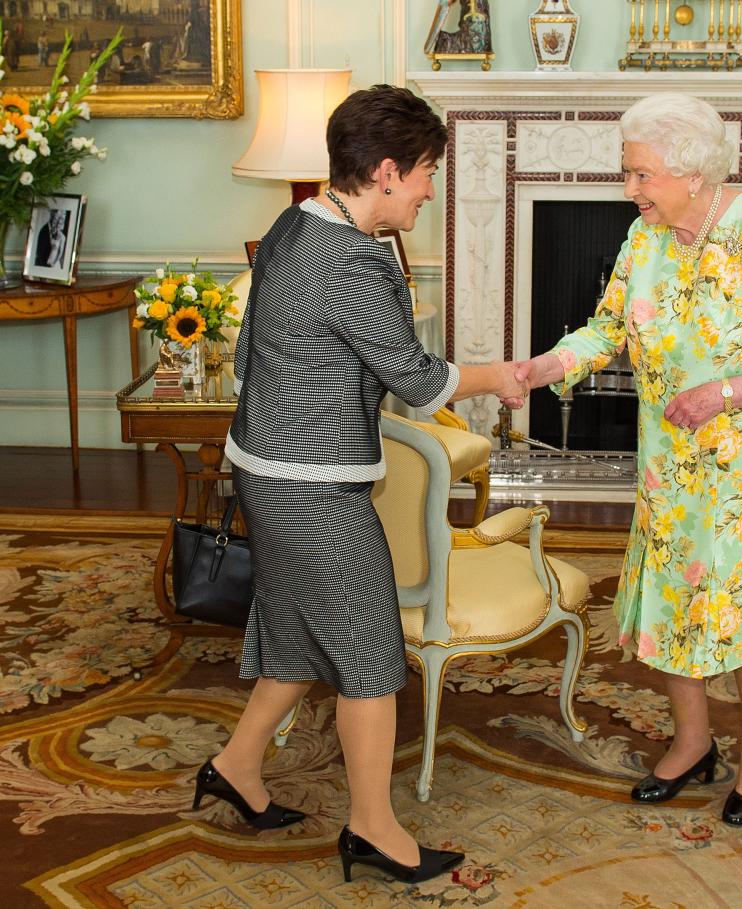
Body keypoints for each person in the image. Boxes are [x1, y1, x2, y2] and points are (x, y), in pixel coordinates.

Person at [201, 85, 526, 885]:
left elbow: (249, 356)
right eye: (424, 174)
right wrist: (507, 375)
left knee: (299, 631)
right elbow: (415, 379)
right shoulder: (350, 258)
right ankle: (374, 828)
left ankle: (237, 765)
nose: (427, 190)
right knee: (373, 656)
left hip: (264, 465)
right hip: (310, 485)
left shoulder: (299, 220)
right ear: (385, 171)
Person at [517, 93, 742, 827]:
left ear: (694, 173)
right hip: (670, 458)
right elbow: (605, 331)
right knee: (671, 593)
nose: (630, 189)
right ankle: (693, 740)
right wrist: (542, 367)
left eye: (642, 174)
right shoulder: (644, 240)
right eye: (627, 173)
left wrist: (725, 393)